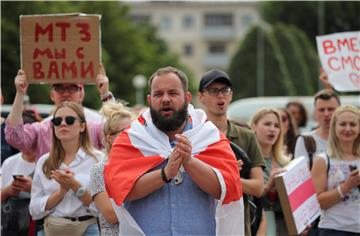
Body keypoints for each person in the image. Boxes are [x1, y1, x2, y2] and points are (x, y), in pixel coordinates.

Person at [104, 66, 244, 235]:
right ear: (149, 100)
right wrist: (164, 174)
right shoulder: (132, 139)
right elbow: (120, 191)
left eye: (172, 93)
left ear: (187, 98)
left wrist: (190, 162)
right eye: (158, 94)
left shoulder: (209, 137)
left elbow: (227, 189)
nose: (165, 99)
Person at [198, 69, 265, 236]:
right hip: (202, 223)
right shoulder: (193, 136)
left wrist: (231, 177)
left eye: (224, 90)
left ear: (231, 95)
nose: (220, 96)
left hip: (238, 226)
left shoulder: (247, 136)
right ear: (201, 97)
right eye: (213, 91)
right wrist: (225, 176)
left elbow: (258, 188)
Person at [5, 64, 112, 159]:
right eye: (59, 88)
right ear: (52, 95)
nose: (65, 93)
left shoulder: (96, 124)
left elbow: (118, 135)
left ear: (81, 94)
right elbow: (15, 137)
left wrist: (105, 94)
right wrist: (20, 93)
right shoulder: (42, 128)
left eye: (72, 88)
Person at [29, 101, 104, 236]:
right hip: (52, 229)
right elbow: (34, 210)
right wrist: (60, 193)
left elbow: (102, 209)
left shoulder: (98, 160)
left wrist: (75, 186)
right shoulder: (44, 162)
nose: (63, 124)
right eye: (57, 121)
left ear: (82, 127)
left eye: (69, 120)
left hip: (87, 229)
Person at [311, 105, 360, 235]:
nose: (348, 129)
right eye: (343, 124)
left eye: (353, 124)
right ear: (334, 127)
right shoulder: (323, 160)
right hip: (333, 229)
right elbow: (317, 202)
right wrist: (346, 186)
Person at [90, 100, 134, 235]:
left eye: (135, 130)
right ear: (110, 138)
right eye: (125, 131)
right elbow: (111, 215)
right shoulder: (99, 170)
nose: (132, 135)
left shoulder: (144, 165)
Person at [250, 108, 291, 236]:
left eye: (276, 126)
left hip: (284, 226)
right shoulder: (247, 161)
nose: (272, 129)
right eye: (267, 124)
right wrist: (269, 185)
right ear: (254, 127)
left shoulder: (286, 162)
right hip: (257, 223)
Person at [1, 109, 42, 236]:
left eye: (28, 137)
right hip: (13, 225)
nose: (23, 143)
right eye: (18, 138)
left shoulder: (46, 161)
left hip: (39, 226)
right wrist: (8, 191)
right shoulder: (9, 162)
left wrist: (33, 189)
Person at [294, 89, 341, 168]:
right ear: (315, 112)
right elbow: (301, 176)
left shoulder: (351, 138)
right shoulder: (305, 140)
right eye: (321, 110)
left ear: (339, 110)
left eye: (331, 109)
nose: (326, 114)